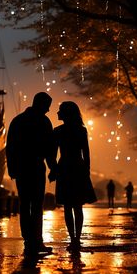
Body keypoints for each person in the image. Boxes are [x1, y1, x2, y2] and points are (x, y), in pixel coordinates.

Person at [6, 92, 56, 255]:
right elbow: (50, 149)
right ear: (41, 104)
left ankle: (28, 241)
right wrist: (52, 167)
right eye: (47, 106)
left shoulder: (18, 121)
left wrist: (12, 168)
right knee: (36, 206)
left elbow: (10, 147)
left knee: (24, 203)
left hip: (21, 168)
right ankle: (37, 241)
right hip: (36, 167)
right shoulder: (44, 122)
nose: (48, 110)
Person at [49, 101, 97, 252]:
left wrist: (54, 170)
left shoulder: (58, 131)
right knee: (78, 206)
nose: (57, 113)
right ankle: (77, 238)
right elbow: (86, 153)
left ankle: (72, 238)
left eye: (60, 110)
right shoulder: (81, 131)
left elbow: (52, 154)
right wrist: (86, 170)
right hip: (78, 167)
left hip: (64, 168)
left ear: (66, 114)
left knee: (68, 206)